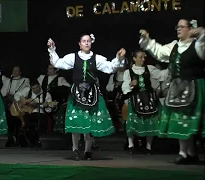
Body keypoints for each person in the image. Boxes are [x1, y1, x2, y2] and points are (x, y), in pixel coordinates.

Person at [47, 33, 126, 160]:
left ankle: (88, 150)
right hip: (77, 94)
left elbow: (111, 68)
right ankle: (75, 149)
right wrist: (52, 49)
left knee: (90, 124)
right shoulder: (73, 57)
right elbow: (57, 63)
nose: (86, 43)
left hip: (92, 94)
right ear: (79, 44)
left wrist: (118, 58)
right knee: (77, 123)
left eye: (88, 41)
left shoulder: (97, 58)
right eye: (84, 41)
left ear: (91, 43)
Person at [139, 18, 205, 164]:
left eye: (182, 27)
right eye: (177, 27)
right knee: (181, 119)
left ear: (191, 29)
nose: (178, 29)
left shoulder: (199, 45)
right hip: (177, 88)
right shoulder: (174, 46)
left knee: (190, 120)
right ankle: (186, 153)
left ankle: (188, 153)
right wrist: (147, 40)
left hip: (194, 86)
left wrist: (201, 33)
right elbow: (159, 51)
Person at [122, 49, 168, 155]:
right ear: (134, 59)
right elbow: (124, 87)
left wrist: (172, 67)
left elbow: (161, 75)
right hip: (135, 98)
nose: (143, 59)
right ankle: (131, 145)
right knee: (132, 121)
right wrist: (130, 85)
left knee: (150, 120)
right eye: (140, 57)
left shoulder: (149, 69)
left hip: (148, 98)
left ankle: (148, 146)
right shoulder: (128, 72)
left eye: (144, 57)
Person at [13, 80, 53, 147]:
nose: (35, 90)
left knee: (39, 121)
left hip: (40, 113)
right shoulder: (28, 91)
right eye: (33, 88)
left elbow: (49, 110)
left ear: (39, 86)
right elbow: (17, 95)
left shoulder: (46, 94)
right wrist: (22, 101)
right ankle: (24, 141)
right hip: (28, 112)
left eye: (37, 87)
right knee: (22, 120)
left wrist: (46, 106)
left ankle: (37, 140)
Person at [1, 66, 30, 147]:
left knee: (19, 121)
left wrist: (17, 97)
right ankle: (10, 139)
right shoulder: (8, 80)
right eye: (14, 70)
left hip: (19, 103)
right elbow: (3, 91)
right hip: (9, 103)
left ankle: (20, 139)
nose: (15, 72)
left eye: (17, 71)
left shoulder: (25, 80)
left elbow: (27, 89)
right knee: (10, 121)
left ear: (20, 72)